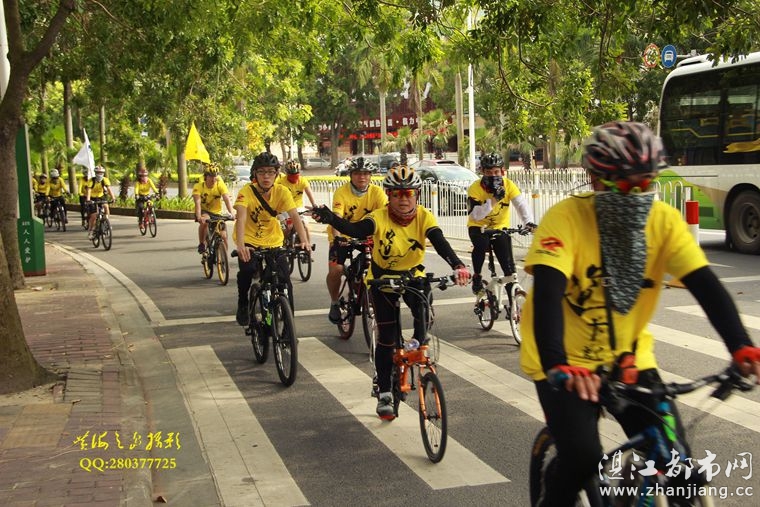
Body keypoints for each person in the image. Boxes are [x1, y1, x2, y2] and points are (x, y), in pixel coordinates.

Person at [519, 121, 760, 506]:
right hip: (565, 360)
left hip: (629, 358)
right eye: (624, 186)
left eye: (646, 184)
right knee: (582, 457)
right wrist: (557, 364)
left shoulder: (663, 222)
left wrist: (741, 346)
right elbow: (548, 293)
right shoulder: (565, 218)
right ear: (596, 180)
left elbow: (706, 286)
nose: (637, 195)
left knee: (678, 466)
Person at [311, 166, 471, 419]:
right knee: (386, 338)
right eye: (396, 194)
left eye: (409, 193)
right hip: (382, 280)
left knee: (423, 313)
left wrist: (458, 265)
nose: (403, 199)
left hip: (412, 276)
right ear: (389, 195)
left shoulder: (424, 216)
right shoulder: (378, 217)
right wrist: (330, 218)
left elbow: (440, 242)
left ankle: (417, 345)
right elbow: (356, 230)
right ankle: (385, 391)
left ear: (417, 195)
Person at [234, 152, 308, 325]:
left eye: (270, 172)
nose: (266, 176)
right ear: (255, 174)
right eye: (261, 172)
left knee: (285, 281)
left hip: (273, 239)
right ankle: (243, 302)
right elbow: (241, 218)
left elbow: (294, 216)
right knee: (247, 270)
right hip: (249, 239)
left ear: (276, 174)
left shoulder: (282, 191)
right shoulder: (246, 192)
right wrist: (241, 245)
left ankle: (289, 326)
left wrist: (304, 240)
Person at [324, 156, 387, 324]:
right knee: (336, 270)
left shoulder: (377, 193)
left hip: (367, 236)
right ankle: (334, 302)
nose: (362, 177)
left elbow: (385, 217)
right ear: (351, 175)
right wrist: (337, 239)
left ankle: (364, 286)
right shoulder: (341, 192)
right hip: (343, 235)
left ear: (371, 176)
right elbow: (337, 218)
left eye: (366, 173)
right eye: (358, 173)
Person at [467, 152, 536, 294]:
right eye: (488, 172)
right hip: (478, 226)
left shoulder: (509, 185)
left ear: (502, 171)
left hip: (500, 227)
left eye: (496, 172)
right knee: (481, 245)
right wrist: (494, 200)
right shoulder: (475, 188)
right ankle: (477, 276)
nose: (493, 175)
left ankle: (513, 302)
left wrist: (529, 222)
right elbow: (475, 215)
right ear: (482, 172)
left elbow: (521, 204)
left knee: (509, 268)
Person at [192, 162, 235, 254]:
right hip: (204, 211)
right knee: (204, 222)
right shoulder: (199, 186)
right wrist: (199, 216)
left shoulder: (220, 185)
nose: (213, 179)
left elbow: (226, 199)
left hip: (217, 213)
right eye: (210, 176)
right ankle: (202, 243)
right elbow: (197, 203)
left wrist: (232, 213)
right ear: (205, 177)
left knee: (223, 236)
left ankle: (223, 257)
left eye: (215, 176)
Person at [276, 159, 317, 247]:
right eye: (291, 176)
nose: (294, 178)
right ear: (287, 173)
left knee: (306, 226)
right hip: (284, 209)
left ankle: (308, 247)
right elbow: (276, 196)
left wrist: (314, 205)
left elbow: (309, 193)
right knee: (285, 228)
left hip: (298, 208)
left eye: (296, 175)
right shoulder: (280, 182)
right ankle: (282, 245)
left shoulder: (302, 180)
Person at [85, 166, 115, 239]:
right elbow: (89, 190)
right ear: (95, 173)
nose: (99, 174)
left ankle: (106, 222)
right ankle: (91, 230)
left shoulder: (105, 180)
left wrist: (113, 198)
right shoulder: (91, 181)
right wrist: (88, 200)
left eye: (101, 173)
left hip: (101, 196)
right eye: (98, 173)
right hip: (92, 198)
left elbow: (109, 189)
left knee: (106, 206)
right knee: (94, 215)